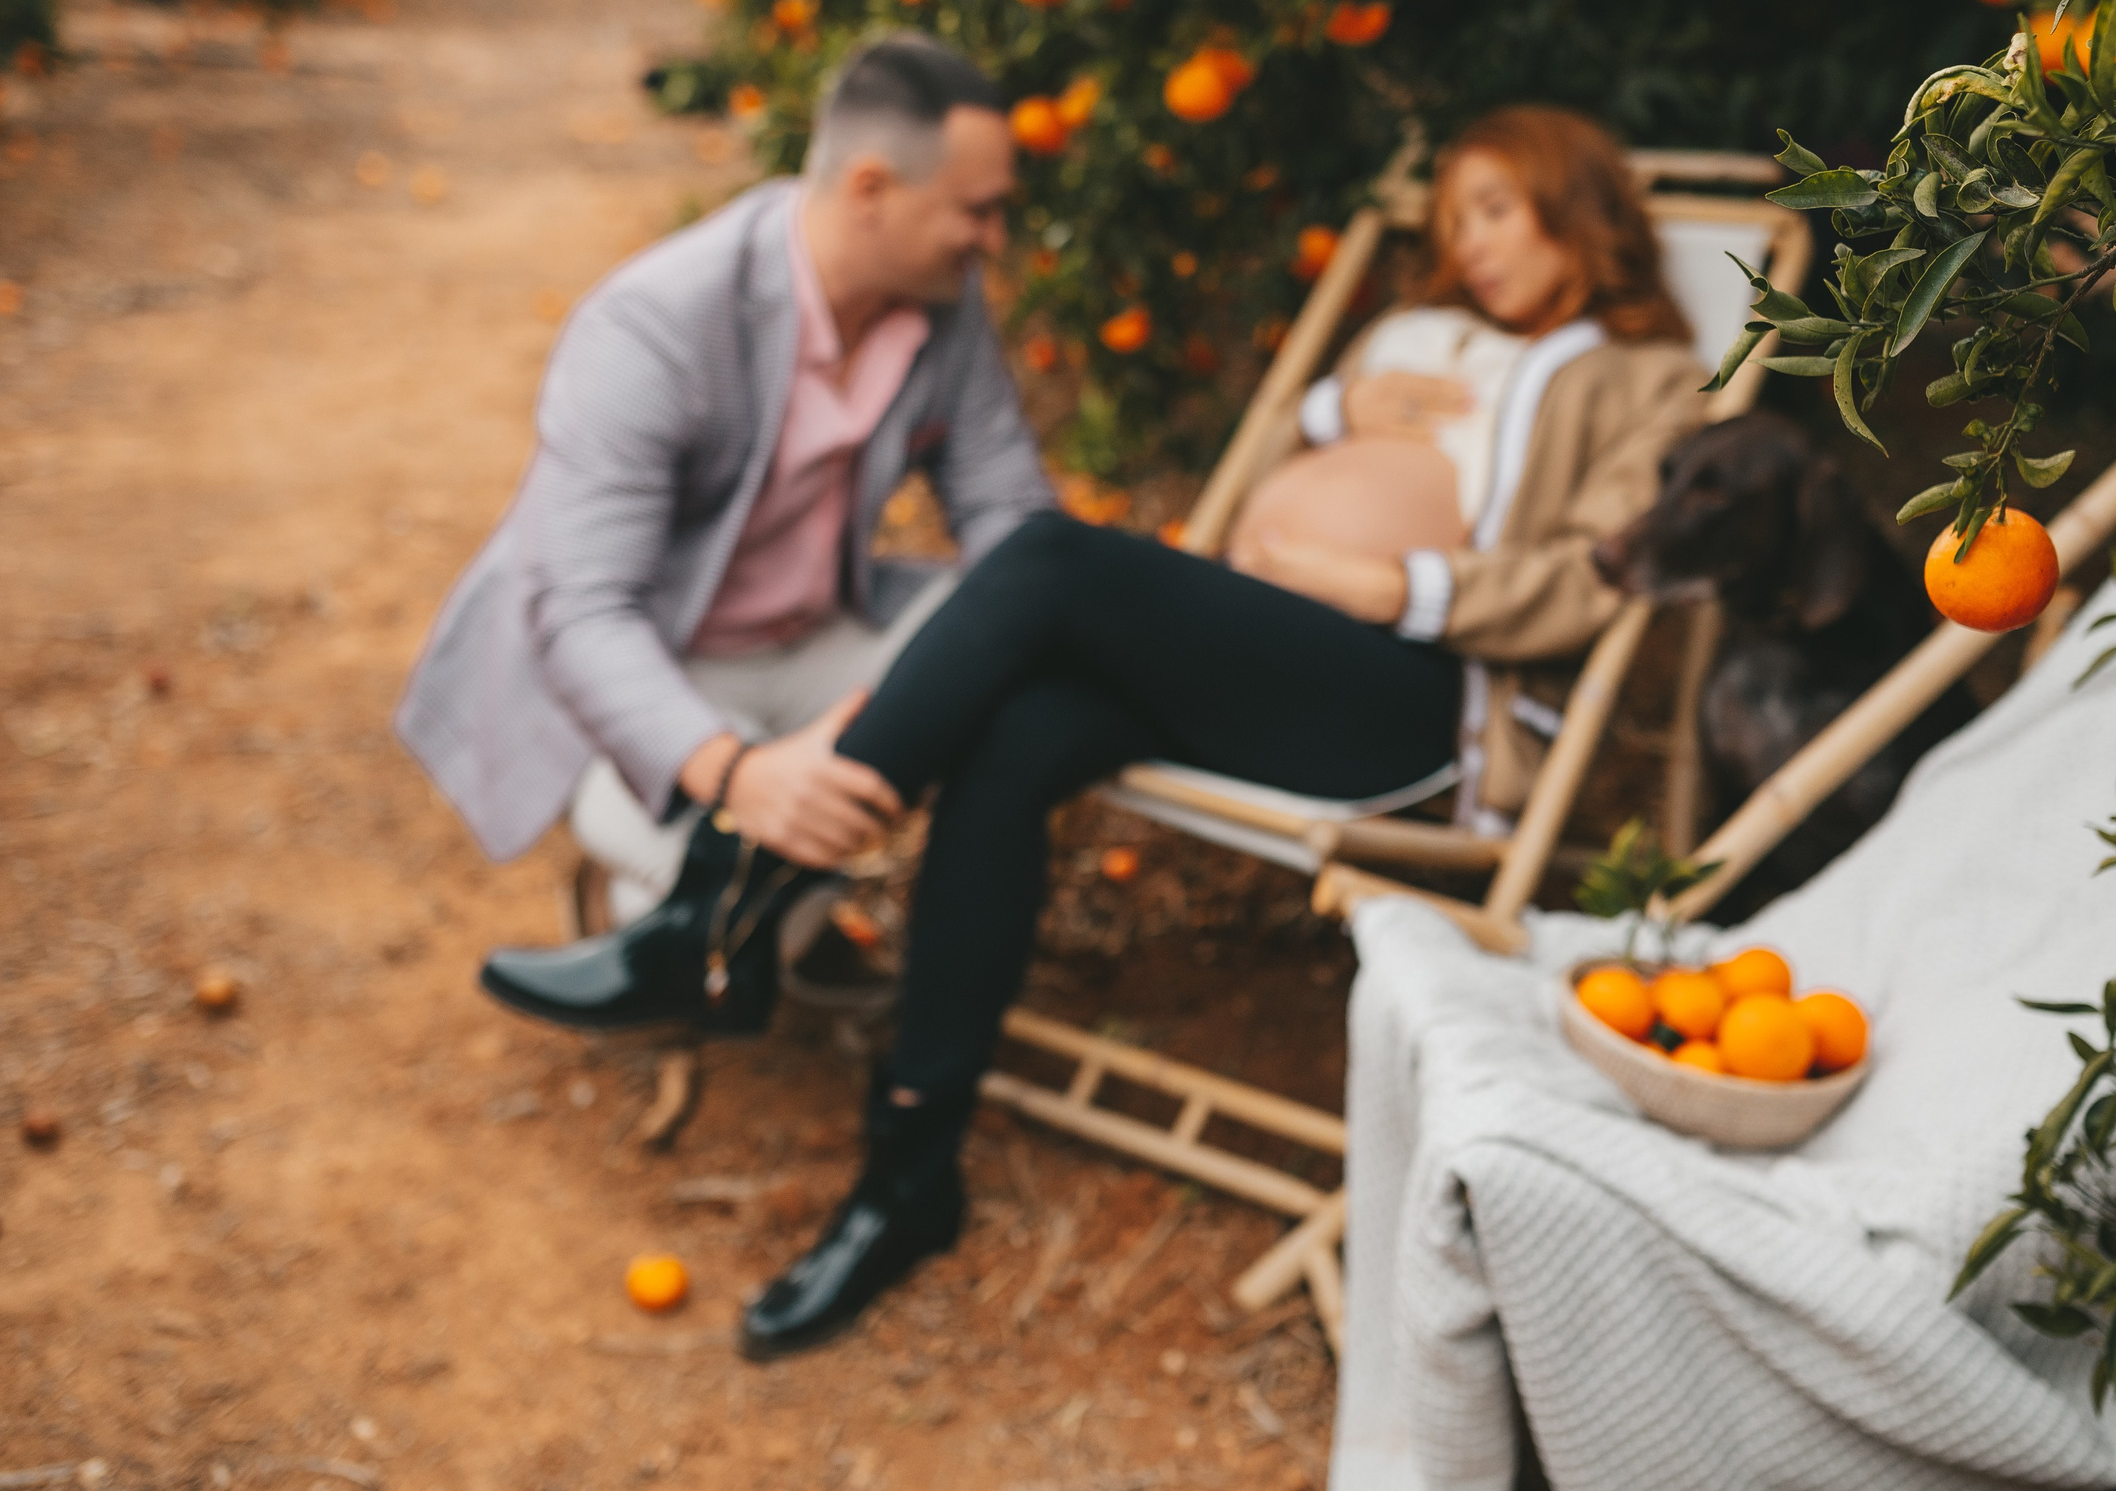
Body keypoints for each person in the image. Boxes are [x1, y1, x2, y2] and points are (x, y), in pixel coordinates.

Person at [691, 104, 1713, 1359]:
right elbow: (1283, 469)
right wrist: (1346, 408)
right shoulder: (1420, 339)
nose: (1474, 244)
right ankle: (907, 1171)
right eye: (1454, 221)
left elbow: (1607, 576)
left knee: (1055, 559)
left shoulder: (1648, 376)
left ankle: (737, 890)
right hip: (1262, 665)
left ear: (1581, 207)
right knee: (1018, 732)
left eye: (1497, 209)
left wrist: (1396, 586)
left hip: (1411, 692)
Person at [395, 34, 1052, 996]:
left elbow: (1011, 517)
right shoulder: (656, 325)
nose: (995, 240)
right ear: (870, 187)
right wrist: (740, 773)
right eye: (977, 212)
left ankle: (749, 901)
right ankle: (705, 907)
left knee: (1031, 653)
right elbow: (582, 610)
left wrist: (979, 668)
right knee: (764, 911)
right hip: (655, 663)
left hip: (822, 633)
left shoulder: (941, 304)